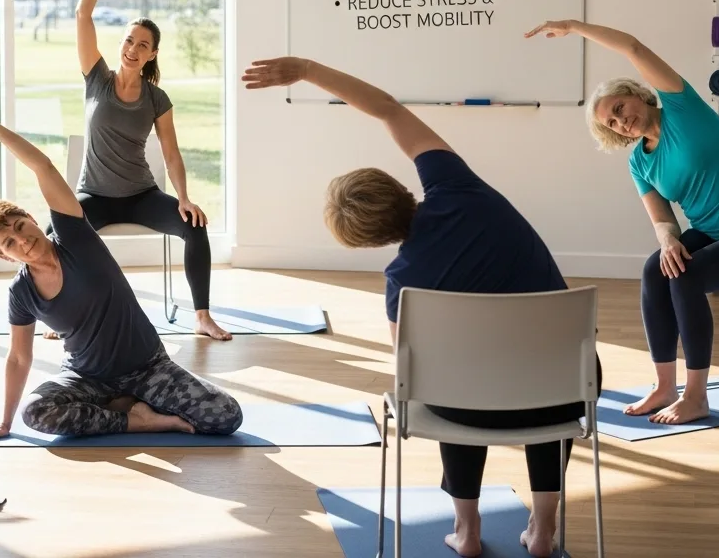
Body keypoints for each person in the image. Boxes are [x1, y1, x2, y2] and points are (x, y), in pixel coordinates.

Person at [243, 56, 598, 558]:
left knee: (455, 379)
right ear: (398, 187)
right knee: (541, 369)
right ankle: (542, 532)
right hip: (564, 389)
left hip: (469, 410)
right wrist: (304, 69)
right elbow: (387, 109)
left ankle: (466, 530)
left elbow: (415, 374)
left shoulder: (400, 282)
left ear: (366, 241)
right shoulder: (460, 188)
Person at [527, 19, 719, 426]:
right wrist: (669, 241)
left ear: (638, 96)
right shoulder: (639, 161)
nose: (621, 122)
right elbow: (662, 218)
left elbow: (632, 46)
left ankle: (697, 396)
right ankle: (665, 385)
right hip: (713, 233)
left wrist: (576, 27)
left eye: (620, 109)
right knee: (656, 268)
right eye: (611, 123)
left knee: (686, 275)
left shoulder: (684, 109)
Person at [0, 117, 243, 442]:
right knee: (36, 412)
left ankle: (128, 402)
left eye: (19, 227)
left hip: (148, 368)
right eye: (9, 244)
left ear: (31, 218)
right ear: (5, 257)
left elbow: (43, 167)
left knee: (226, 416)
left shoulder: (74, 236)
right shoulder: (21, 292)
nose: (22, 240)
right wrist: (4, 422)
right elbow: (18, 357)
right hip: (87, 377)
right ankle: (137, 419)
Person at [67, 0, 230, 340]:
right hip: (95, 195)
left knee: (195, 226)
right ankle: (66, 316)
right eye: (128, 41)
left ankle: (203, 316)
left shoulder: (157, 98)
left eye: (143, 45)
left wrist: (185, 197)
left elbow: (171, 154)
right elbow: (83, 14)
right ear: (120, 44)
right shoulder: (97, 80)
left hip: (140, 195)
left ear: (153, 54)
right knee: (59, 235)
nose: (133, 49)